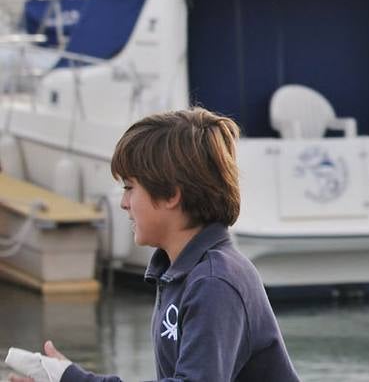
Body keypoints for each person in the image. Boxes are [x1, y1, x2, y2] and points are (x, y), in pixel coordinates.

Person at [8, 108, 299, 382]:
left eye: (130, 188)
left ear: (172, 194)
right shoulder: (180, 273)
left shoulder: (214, 282)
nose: (123, 203)